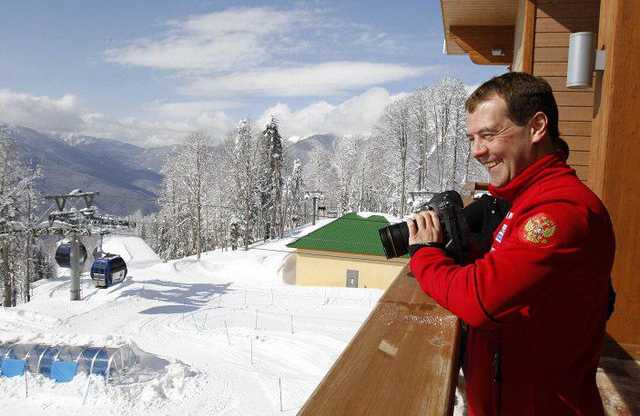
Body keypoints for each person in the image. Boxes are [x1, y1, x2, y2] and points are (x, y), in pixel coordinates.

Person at [407, 72, 615, 416]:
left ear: (536, 127)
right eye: (472, 138)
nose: (477, 151)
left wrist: (426, 255)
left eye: (489, 134)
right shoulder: (524, 201)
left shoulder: (561, 210)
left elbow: (480, 299)